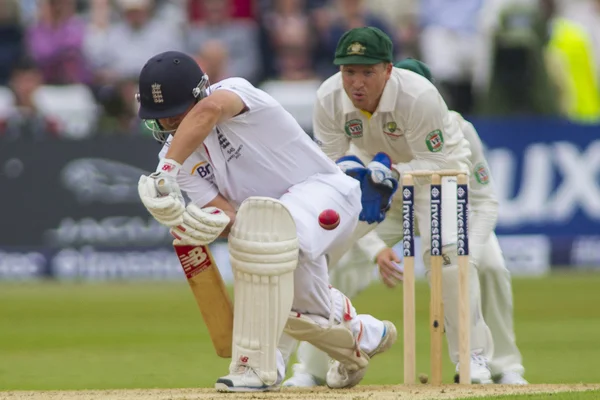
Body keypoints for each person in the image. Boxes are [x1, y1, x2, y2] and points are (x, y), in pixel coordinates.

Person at [134, 50, 397, 392]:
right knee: (299, 305)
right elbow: (230, 216)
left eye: (174, 116)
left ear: (199, 93)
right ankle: (362, 335)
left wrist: (164, 172)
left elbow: (209, 112)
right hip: (273, 232)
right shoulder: (174, 156)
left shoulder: (234, 92)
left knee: (262, 236)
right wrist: (199, 220)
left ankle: (257, 367)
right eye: (161, 119)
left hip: (326, 194)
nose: (168, 126)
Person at [284, 57, 528, 386]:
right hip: (391, 210)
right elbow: (355, 204)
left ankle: (500, 364)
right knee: (334, 262)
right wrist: (374, 251)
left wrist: (472, 246)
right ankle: (310, 369)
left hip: (444, 207)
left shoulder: (458, 128)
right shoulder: (366, 126)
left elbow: (484, 200)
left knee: (489, 267)